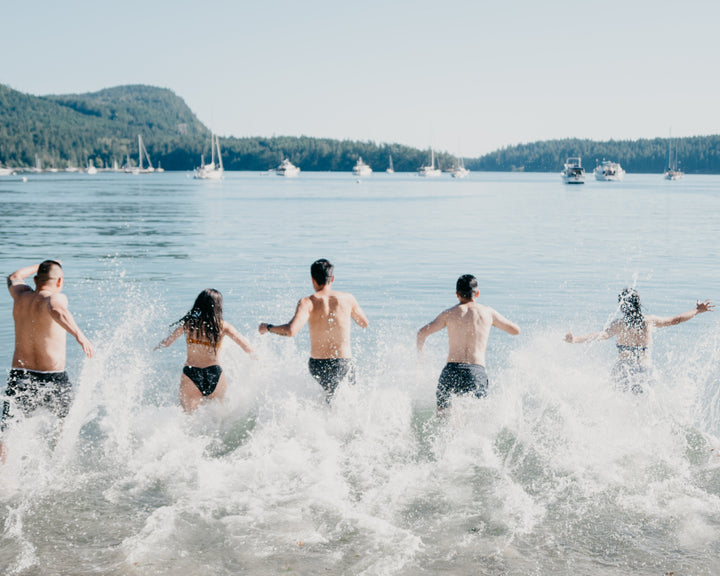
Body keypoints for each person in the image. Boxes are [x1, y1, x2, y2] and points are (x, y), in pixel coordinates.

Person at [1, 260, 94, 462]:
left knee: (7, 433)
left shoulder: (20, 295)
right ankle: (59, 467)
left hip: (20, 377)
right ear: (60, 281)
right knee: (68, 425)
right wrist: (80, 335)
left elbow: (13, 276)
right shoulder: (56, 297)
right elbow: (56, 309)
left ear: (35, 279)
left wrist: (41, 266)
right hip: (54, 379)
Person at [259, 259, 369, 402]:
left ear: (312, 279)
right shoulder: (348, 299)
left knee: (326, 401)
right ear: (333, 278)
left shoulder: (307, 302)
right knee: (347, 402)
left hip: (319, 365)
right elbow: (364, 323)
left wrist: (268, 327)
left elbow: (290, 331)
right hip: (343, 363)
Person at [565, 288, 714, 393]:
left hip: (622, 370)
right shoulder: (649, 322)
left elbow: (600, 335)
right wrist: (697, 311)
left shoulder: (618, 324)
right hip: (644, 371)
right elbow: (676, 320)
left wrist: (575, 339)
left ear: (621, 306)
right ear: (638, 304)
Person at [417, 274, 520, 412]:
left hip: (451, 371)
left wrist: (421, 355)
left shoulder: (448, 314)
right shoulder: (488, 313)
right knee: (475, 420)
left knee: (443, 420)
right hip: (475, 372)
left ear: (457, 294)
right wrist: (492, 323)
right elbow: (515, 331)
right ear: (477, 293)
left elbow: (421, 333)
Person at [155, 288, 255, 412]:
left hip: (191, 372)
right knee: (218, 415)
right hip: (214, 373)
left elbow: (167, 343)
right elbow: (248, 348)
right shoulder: (223, 326)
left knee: (188, 416)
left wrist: (154, 347)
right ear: (218, 306)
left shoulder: (189, 324)